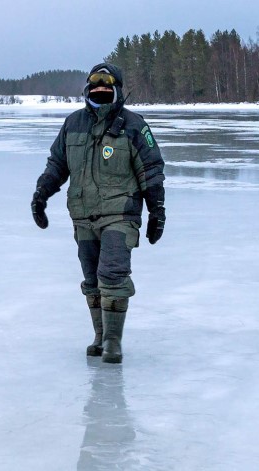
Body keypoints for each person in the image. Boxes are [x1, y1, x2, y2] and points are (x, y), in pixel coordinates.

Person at [31, 62, 165, 364]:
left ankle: (113, 344)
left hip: (121, 213)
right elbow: (57, 165)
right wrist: (40, 196)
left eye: (107, 90)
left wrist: (157, 211)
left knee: (112, 275)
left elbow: (151, 171)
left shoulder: (134, 125)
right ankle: (100, 336)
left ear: (117, 91)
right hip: (83, 215)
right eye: (96, 90)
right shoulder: (73, 123)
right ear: (87, 91)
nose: (101, 93)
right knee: (91, 280)